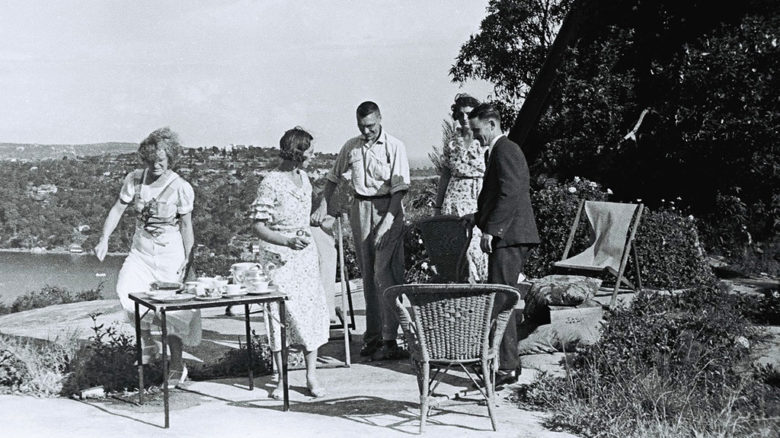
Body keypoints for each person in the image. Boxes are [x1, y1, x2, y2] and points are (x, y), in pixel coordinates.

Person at [95, 127, 199, 388]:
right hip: (140, 252)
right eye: (151, 162)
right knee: (127, 291)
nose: (156, 167)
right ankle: (148, 344)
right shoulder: (134, 179)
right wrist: (104, 238)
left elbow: (186, 226)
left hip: (170, 255)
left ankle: (177, 366)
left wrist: (188, 260)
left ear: (170, 159)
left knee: (171, 314)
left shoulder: (180, 187)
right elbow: (118, 208)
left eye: (161, 162)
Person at [311, 101, 410, 361]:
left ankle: (393, 337)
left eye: (371, 126)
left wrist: (388, 221)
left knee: (385, 273)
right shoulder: (351, 146)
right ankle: (373, 338)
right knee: (368, 275)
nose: (366, 132)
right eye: (361, 127)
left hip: (388, 209)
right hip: (360, 209)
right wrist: (323, 204)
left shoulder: (395, 146)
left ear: (380, 119)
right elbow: (333, 177)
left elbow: (400, 189)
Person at [462, 103, 540, 385]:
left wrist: (492, 231)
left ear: (492, 125)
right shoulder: (499, 150)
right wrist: (478, 217)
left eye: (478, 130)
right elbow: (498, 195)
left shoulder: (505, 149)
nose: (476, 136)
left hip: (510, 237)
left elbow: (510, 192)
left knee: (502, 300)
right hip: (509, 235)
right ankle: (508, 363)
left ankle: (506, 366)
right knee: (501, 298)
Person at [251, 127, 330, 399]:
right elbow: (259, 227)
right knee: (280, 316)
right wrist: (285, 241)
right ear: (297, 153)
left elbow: (303, 218)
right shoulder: (270, 182)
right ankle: (281, 378)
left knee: (310, 312)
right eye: (309, 152)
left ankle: (310, 376)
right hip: (279, 258)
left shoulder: (304, 178)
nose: (313, 156)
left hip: (305, 255)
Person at [432, 93, 489, 283]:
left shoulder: (484, 141)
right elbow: (446, 174)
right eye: (461, 114)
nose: (465, 118)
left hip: (477, 195)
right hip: (455, 196)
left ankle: (481, 287)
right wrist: (437, 207)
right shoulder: (451, 142)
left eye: (469, 113)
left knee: (476, 245)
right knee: (457, 245)